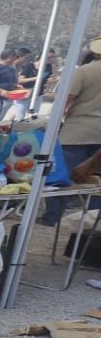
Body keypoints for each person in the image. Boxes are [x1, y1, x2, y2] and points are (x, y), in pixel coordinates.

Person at [41, 38, 101, 226]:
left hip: (77, 131)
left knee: (62, 178)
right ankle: (92, 223)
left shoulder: (84, 71)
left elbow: (64, 101)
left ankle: (52, 217)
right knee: (97, 184)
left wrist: (54, 124)